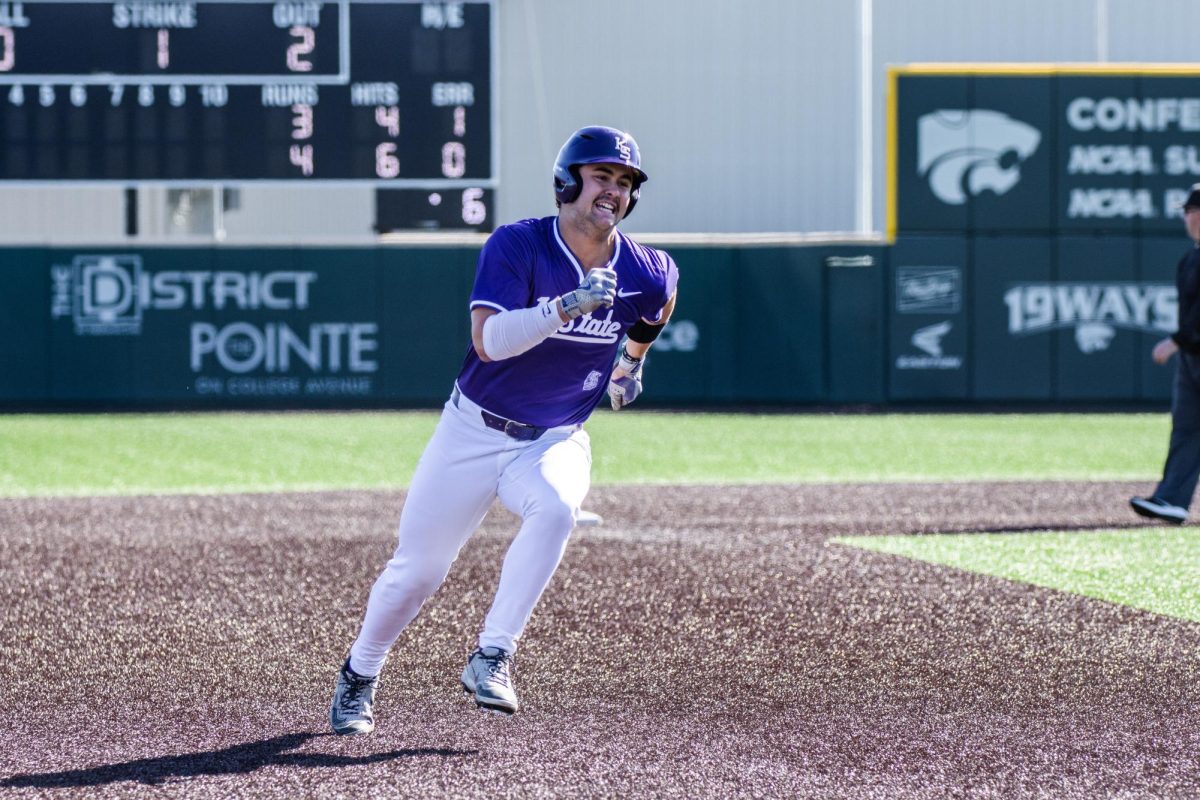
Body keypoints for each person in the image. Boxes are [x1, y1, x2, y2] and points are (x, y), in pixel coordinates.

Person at [329, 125, 679, 734]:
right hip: (473, 430)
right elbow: (489, 343)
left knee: (557, 510)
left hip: (554, 437)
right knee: (419, 571)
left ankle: (493, 655)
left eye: (624, 183)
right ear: (568, 182)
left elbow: (659, 305)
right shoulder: (518, 245)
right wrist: (565, 306)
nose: (614, 191)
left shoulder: (647, 268)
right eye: (602, 176)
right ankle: (360, 673)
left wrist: (631, 362)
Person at [1130, 183, 1200, 525]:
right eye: (1187, 211)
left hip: (1189, 346)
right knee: (1187, 428)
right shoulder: (1190, 258)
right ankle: (1172, 500)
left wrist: (1175, 340)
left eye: (1192, 210)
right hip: (1192, 357)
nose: (1188, 217)